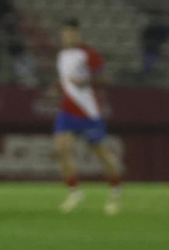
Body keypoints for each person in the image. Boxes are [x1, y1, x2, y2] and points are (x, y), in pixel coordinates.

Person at [52, 18, 124, 214]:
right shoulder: (61, 55)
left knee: (101, 153)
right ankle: (74, 192)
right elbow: (67, 82)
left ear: (78, 34)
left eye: (71, 33)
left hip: (88, 112)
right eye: (64, 33)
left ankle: (115, 191)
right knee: (61, 148)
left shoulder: (88, 54)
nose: (67, 37)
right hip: (67, 110)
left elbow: (104, 78)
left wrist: (86, 81)